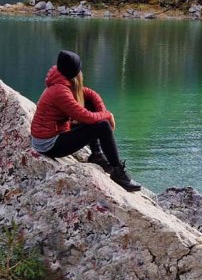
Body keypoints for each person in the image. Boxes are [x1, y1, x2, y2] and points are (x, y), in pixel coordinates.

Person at [30, 50, 141, 192]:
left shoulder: (61, 82)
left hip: (52, 135)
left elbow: (89, 94)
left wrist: (101, 110)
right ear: (74, 72)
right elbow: (86, 117)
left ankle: (97, 155)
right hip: (48, 144)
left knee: (91, 106)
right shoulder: (60, 92)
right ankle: (118, 172)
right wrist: (106, 115)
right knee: (102, 126)